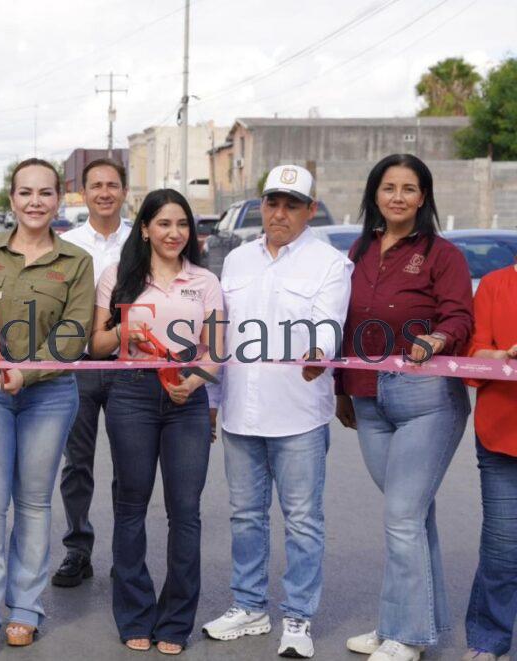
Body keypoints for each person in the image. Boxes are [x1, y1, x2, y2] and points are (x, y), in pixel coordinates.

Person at [201, 165, 353, 659]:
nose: (279, 213)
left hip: (299, 414)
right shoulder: (237, 260)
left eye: (292, 204)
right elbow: (221, 339)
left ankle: (298, 616)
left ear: (311, 210)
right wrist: (212, 400)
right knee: (245, 516)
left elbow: (329, 324)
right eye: (272, 202)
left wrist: (318, 354)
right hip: (242, 411)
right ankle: (249, 606)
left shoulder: (330, 264)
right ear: (261, 205)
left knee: (303, 520)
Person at [0, 158, 94, 656]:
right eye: (26, 192)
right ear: (11, 199)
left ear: (58, 199)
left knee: (34, 501)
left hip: (50, 394)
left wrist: (27, 372)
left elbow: (73, 335)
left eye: (46, 193)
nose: (35, 201)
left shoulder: (76, 261)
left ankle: (27, 608)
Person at [335, 154, 473, 661]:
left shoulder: (443, 255)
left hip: (427, 399)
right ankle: (405, 621)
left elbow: (460, 315)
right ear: (375, 194)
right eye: (389, 187)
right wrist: (341, 390)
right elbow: (343, 325)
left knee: (400, 516)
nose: (398, 197)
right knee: (411, 517)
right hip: (369, 399)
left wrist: (438, 338)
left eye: (409, 189)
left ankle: (407, 637)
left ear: (423, 197)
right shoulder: (360, 250)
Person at [89, 188, 223, 654]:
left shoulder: (204, 281)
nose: (174, 233)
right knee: (131, 507)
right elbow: (98, 346)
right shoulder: (116, 278)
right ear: (144, 228)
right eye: (164, 223)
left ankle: (175, 622)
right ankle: (134, 614)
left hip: (187, 397)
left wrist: (196, 381)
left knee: (185, 512)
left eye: (182, 224)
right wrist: (125, 328)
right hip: (131, 396)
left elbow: (218, 351)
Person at [51, 158, 132, 587]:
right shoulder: (66, 243)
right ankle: (77, 549)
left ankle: (126, 552)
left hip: (127, 365)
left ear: (124, 191)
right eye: (96, 185)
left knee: (128, 465)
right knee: (76, 464)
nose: (105, 192)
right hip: (78, 364)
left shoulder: (142, 239)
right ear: (83, 192)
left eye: (112, 184)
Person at [462, 260, 517, 661]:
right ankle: (487, 640)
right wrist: (506, 354)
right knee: (502, 549)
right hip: (502, 438)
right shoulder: (495, 285)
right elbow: (472, 357)